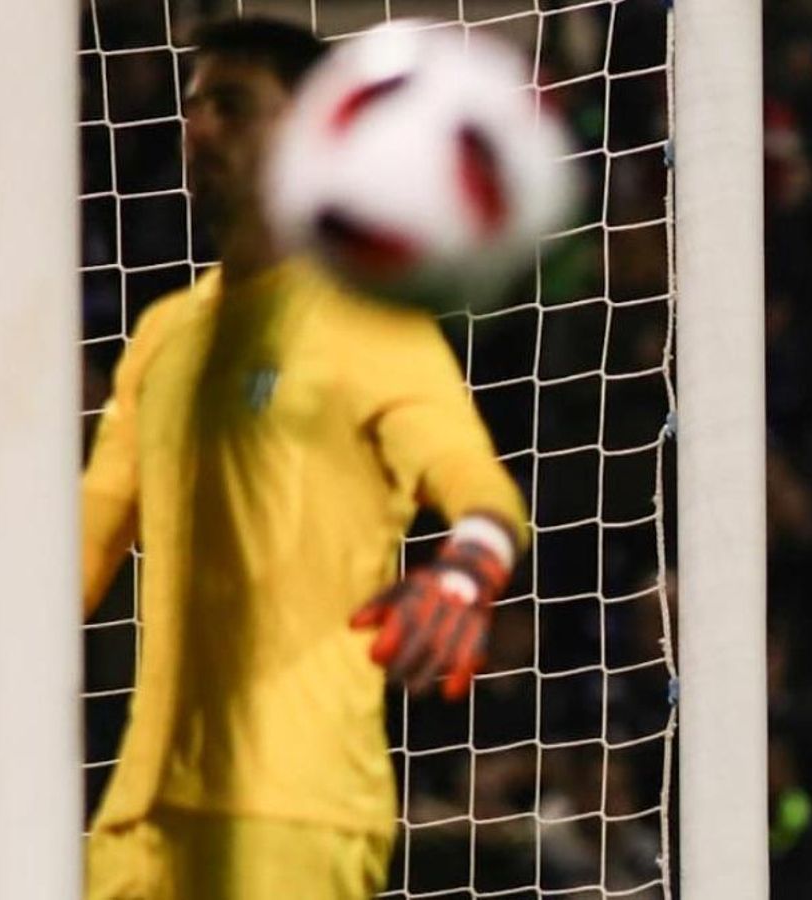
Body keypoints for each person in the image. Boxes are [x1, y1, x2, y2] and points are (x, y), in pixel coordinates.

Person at [80, 17, 530, 899]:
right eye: (194, 105)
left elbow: (477, 482)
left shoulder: (369, 317)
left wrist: (469, 567)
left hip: (295, 806)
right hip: (144, 816)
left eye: (234, 106)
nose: (200, 128)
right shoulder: (164, 336)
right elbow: (86, 539)